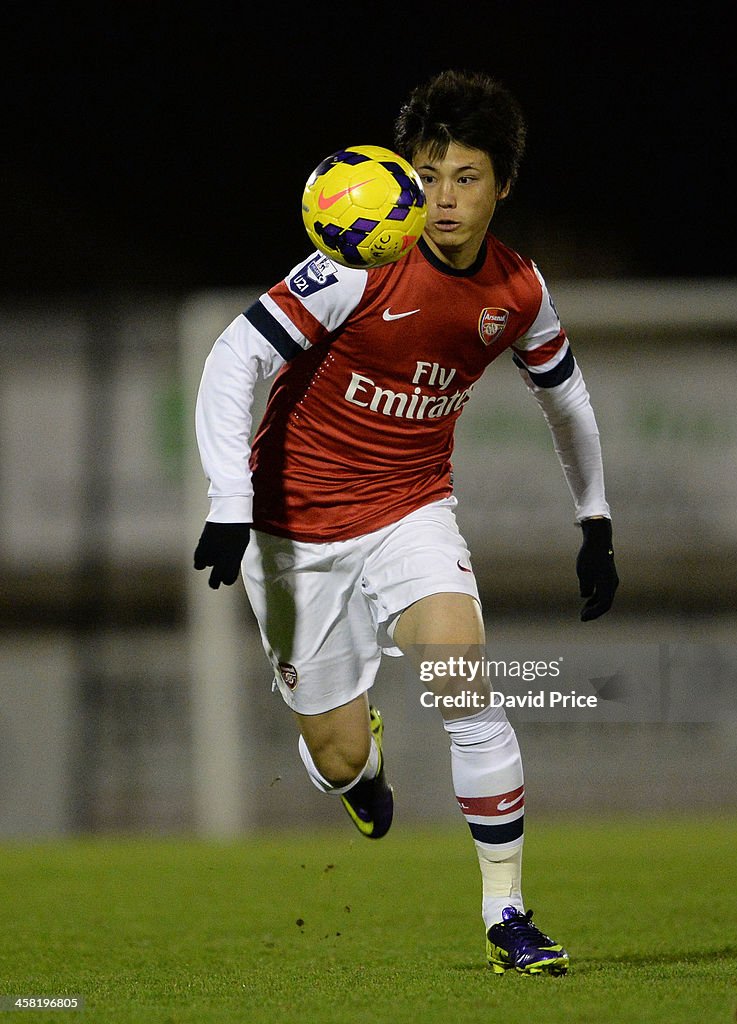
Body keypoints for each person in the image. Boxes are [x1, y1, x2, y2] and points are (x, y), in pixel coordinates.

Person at [193, 69, 618, 976]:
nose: (443, 198)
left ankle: (507, 916)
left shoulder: (519, 290)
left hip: (409, 512)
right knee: (338, 752)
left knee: (466, 686)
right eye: (426, 175)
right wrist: (230, 504)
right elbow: (234, 358)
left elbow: (566, 398)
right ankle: (355, 767)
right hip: (291, 532)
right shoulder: (359, 259)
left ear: (503, 185)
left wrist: (595, 519)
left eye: (466, 177)